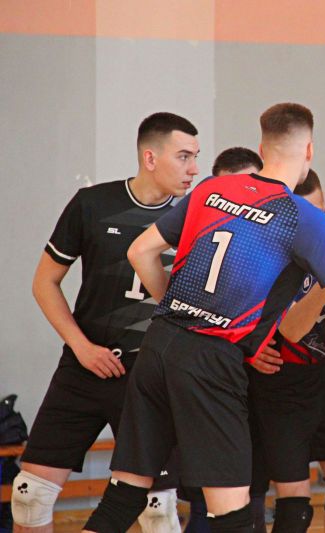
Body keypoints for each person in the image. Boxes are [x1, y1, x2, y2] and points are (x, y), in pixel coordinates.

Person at [80, 102, 325, 533]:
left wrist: (179, 308)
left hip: (158, 343)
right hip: (212, 360)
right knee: (232, 516)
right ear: (309, 151)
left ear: (262, 148)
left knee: (124, 496)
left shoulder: (212, 189)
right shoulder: (302, 217)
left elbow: (140, 252)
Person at [13, 112, 199, 533]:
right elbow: (44, 283)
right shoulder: (92, 204)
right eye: (184, 156)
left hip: (149, 375)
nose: (193, 169)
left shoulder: (197, 217)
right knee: (29, 495)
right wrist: (81, 347)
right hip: (84, 365)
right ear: (150, 158)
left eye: (195, 157)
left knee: (158, 511)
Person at [247, 168, 325, 533]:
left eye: (322, 212)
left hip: (324, 381)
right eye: (309, 217)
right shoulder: (267, 249)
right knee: (294, 508)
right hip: (279, 388)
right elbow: (293, 329)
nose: (320, 224)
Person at [178, 146, 271, 533]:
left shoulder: (275, 233)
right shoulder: (196, 228)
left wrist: (257, 345)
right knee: (205, 507)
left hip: (255, 390)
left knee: (250, 503)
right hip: (203, 379)